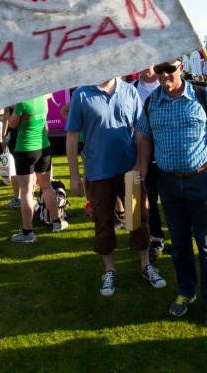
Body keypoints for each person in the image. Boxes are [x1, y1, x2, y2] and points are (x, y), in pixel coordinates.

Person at [135, 58, 207, 328]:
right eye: (159, 69)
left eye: (170, 68)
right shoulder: (151, 101)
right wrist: (141, 167)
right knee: (179, 243)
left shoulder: (202, 95)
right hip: (167, 181)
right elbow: (144, 137)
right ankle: (187, 291)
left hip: (201, 180)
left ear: (181, 68)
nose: (164, 74)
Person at [67, 77, 167, 296]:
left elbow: (141, 131)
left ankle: (145, 265)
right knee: (103, 222)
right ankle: (109, 270)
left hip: (129, 170)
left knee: (138, 219)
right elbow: (72, 136)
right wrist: (74, 175)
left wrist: (141, 163)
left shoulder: (129, 91)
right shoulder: (82, 94)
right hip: (98, 172)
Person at [9, 95, 63, 242]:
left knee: (26, 191)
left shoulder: (22, 102)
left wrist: (10, 113)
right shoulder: (42, 99)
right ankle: (57, 222)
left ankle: (28, 233)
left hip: (26, 149)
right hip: (43, 148)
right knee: (47, 187)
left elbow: (13, 124)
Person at [133, 66, 166, 261]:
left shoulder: (165, 84)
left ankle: (181, 235)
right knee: (149, 198)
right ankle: (156, 237)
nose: (144, 67)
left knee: (173, 197)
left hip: (167, 149)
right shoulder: (132, 88)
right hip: (142, 151)